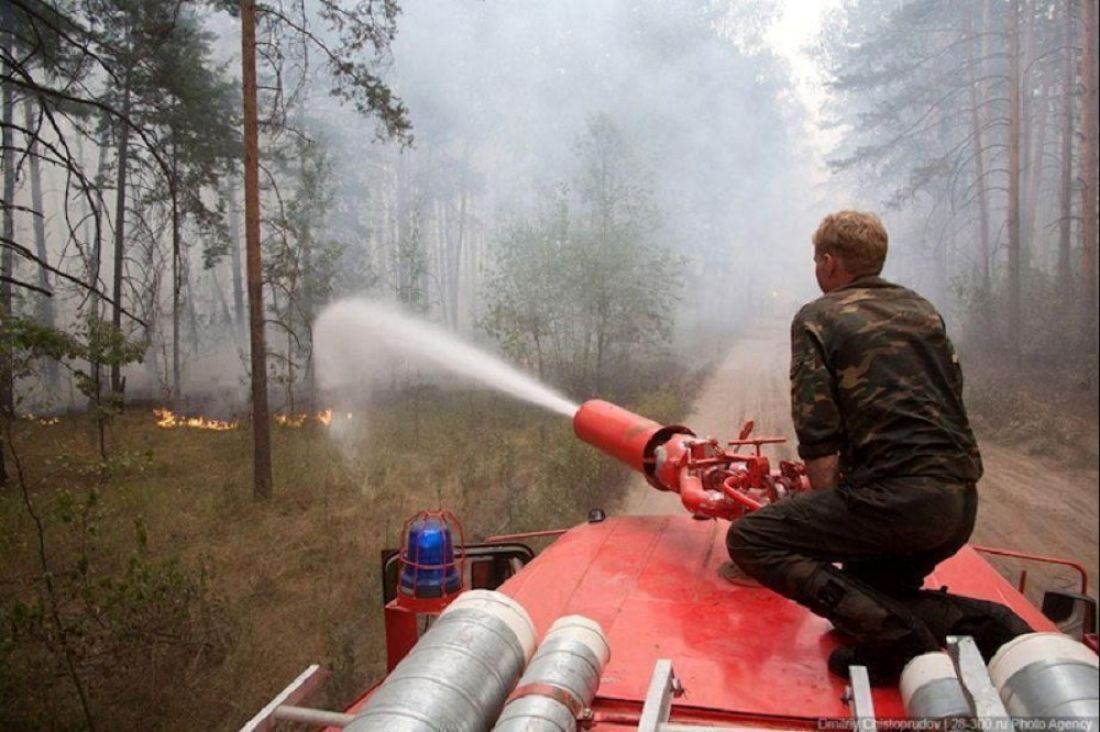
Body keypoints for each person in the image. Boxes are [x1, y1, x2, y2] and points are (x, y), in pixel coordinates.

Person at [726, 210, 1029, 684]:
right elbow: (950, 391)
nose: (815, 269)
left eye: (815, 260)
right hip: (957, 503)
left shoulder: (818, 317)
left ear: (829, 262)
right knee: (870, 594)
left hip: (895, 503)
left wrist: (827, 509)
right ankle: (995, 625)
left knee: (751, 538)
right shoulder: (922, 310)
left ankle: (896, 644)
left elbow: (817, 425)